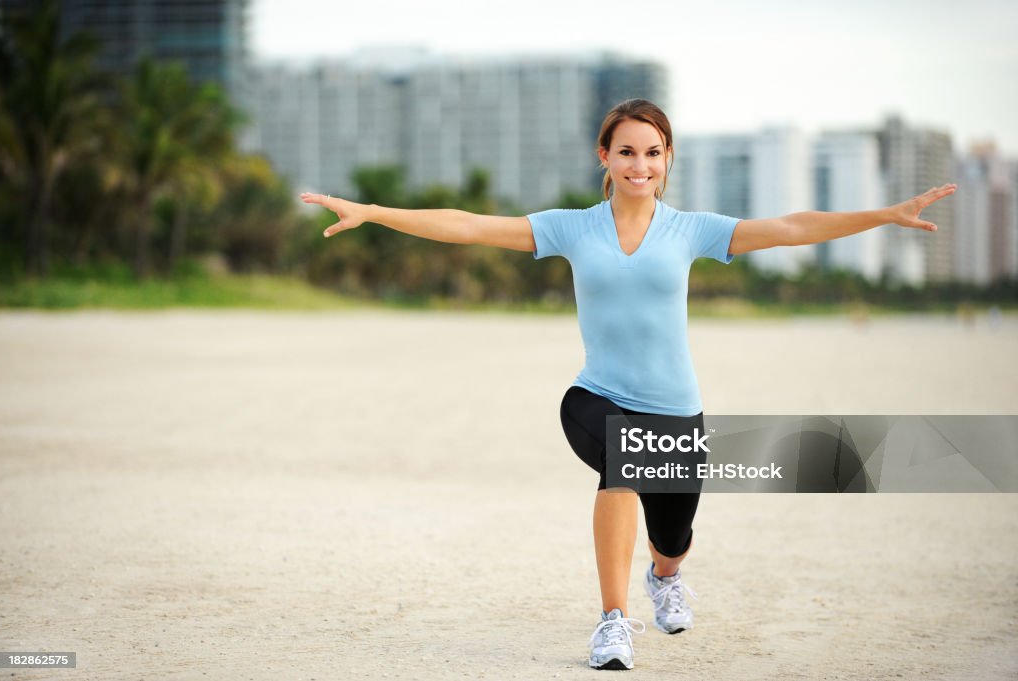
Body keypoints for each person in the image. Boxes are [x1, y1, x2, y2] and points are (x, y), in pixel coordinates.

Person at [299, 98, 957, 671]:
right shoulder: (572, 227)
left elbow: (791, 228)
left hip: (678, 415)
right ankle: (613, 621)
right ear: (604, 157)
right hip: (595, 397)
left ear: (667, 158)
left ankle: (664, 576)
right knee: (619, 462)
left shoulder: (692, 229)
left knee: (672, 535)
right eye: (625, 152)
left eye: (652, 152)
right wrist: (374, 211)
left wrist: (885, 214)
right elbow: (468, 225)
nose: (639, 165)